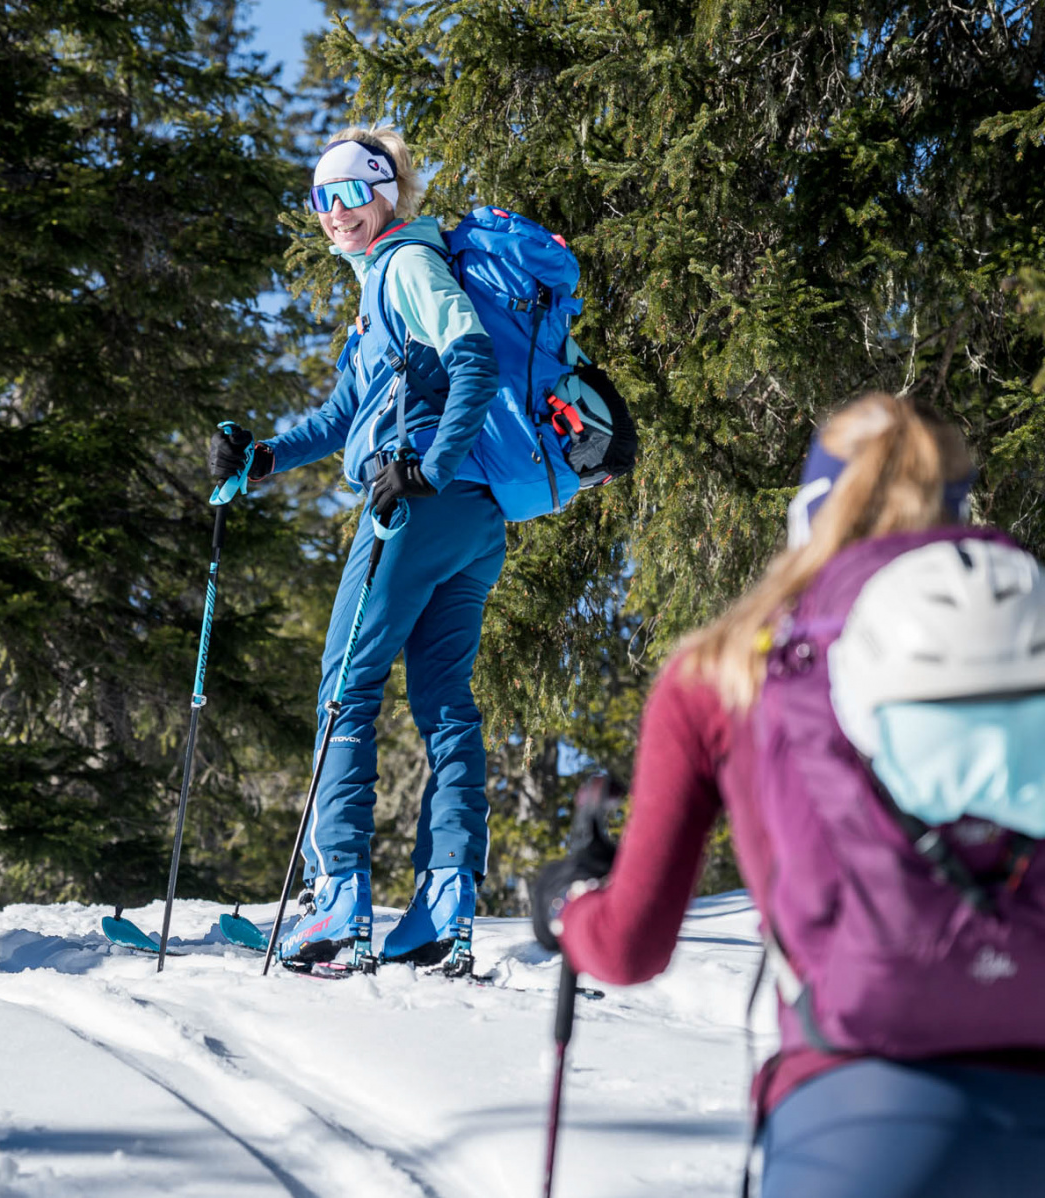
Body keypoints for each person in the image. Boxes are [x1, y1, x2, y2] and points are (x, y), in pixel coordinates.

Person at [534, 392, 1045, 1196]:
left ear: (809, 508)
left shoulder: (726, 670)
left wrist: (570, 910)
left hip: (856, 1126)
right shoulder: (1032, 645)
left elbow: (631, 947)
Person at [211, 127, 500, 971]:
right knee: (444, 701)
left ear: (385, 194)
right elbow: (344, 415)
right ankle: (444, 906)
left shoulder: (406, 265)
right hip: (473, 517)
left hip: (417, 506)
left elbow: (475, 359)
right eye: (320, 198)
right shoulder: (383, 285)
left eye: (349, 194)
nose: (334, 212)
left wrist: (426, 469)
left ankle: (338, 901)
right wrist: (262, 459)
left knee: (345, 687)